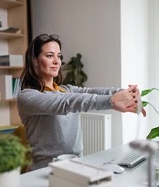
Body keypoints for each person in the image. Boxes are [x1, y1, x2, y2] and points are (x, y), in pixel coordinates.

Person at [17, 34, 146, 171]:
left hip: (76, 166)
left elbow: (94, 92)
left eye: (59, 56)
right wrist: (111, 101)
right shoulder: (27, 97)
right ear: (35, 60)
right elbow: (66, 102)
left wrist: (127, 92)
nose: (57, 61)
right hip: (44, 171)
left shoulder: (67, 90)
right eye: (49, 56)